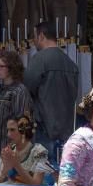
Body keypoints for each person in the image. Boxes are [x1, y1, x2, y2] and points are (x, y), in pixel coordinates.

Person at [24, 21, 79, 164]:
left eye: (35, 37)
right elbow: (74, 95)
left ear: (42, 36)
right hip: (66, 127)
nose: (34, 41)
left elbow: (27, 88)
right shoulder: (70, 63)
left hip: (43, 126)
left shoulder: (39, 59)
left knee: (41, 170)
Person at [0, 50, 32, 183]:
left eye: (1, 66)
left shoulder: (19, 91)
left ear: (11, 68)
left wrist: (13, 149)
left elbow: (22, 123)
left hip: (7, 153)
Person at [0, 115, 52, 186]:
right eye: (8, 130)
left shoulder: (39, 152)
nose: (8, 134)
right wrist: (4, 171)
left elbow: (36, 185)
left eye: (12, 130)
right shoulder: (9, 151)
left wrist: (17, 165)